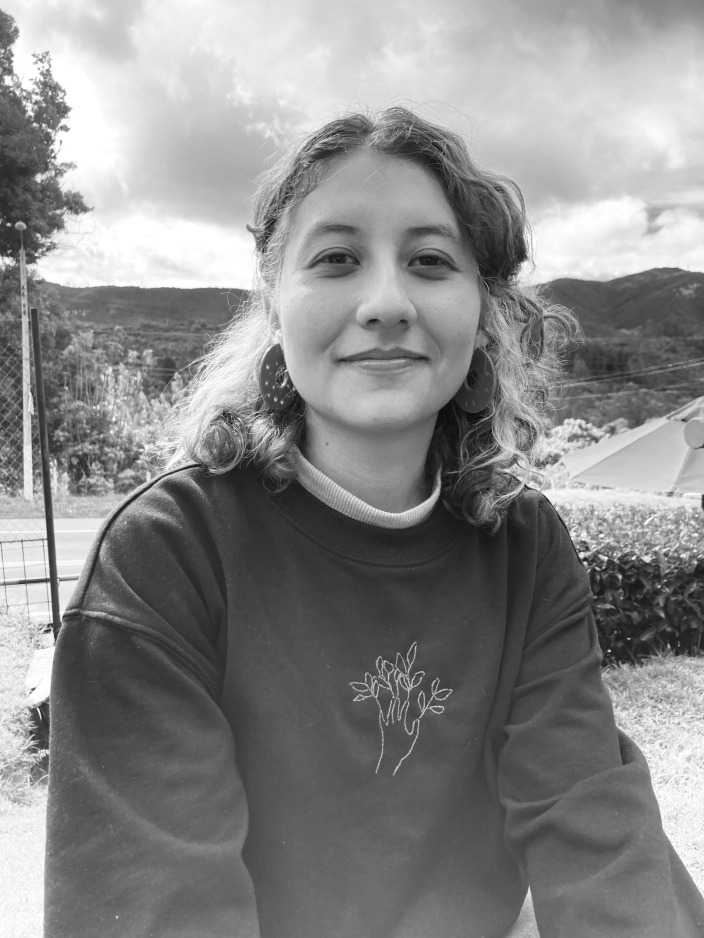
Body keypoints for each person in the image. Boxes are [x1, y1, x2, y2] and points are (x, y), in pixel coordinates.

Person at [45, 107, 704, 938]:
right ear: (275, 307)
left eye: (430, 261)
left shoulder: (525, 545)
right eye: (337, 259)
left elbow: (593, 824)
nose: (387, 302)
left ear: (482, 311)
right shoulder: (166, 554)